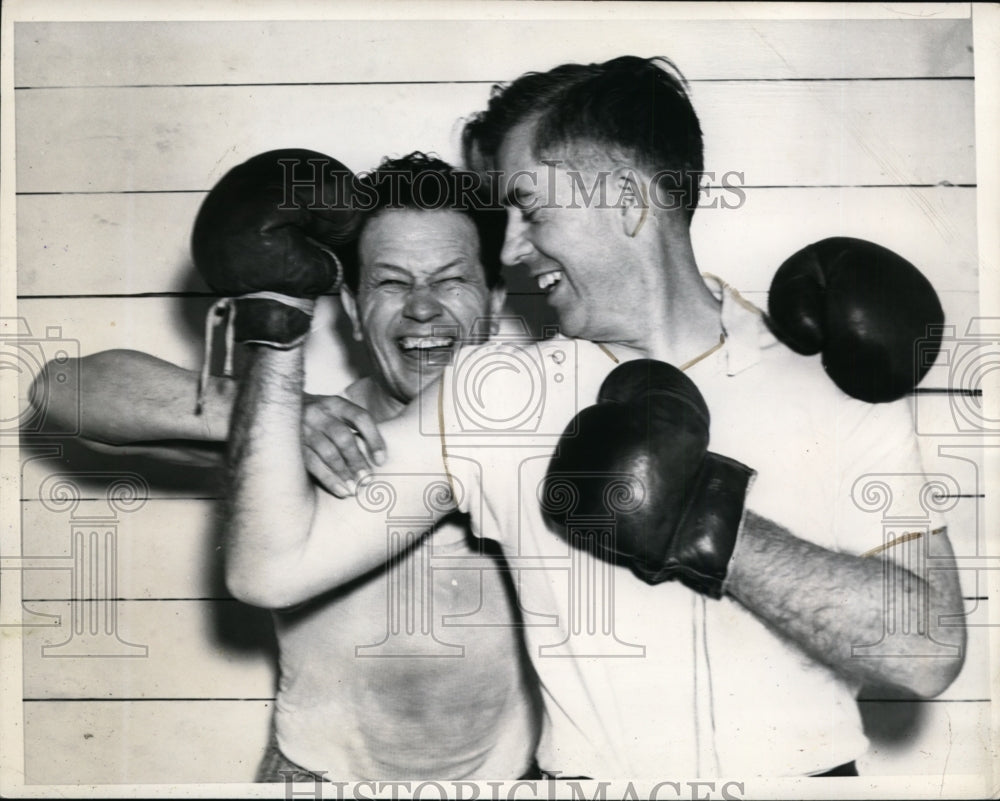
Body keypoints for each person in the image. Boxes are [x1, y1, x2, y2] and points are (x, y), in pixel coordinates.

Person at [219, 56, 967, 780]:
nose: (509, 248)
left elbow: (929, 649)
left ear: (628, 200)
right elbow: (271, 569)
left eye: (529, 209)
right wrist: (275, 325)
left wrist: (711, 525)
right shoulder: (498, 393)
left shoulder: (826, 371)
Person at [35, 152, 541, 781]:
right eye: (390, 282)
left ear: (494, 299)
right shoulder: (309, 435)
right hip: (315, 776)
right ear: (352, 307)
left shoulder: (540, 427)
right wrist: (274, 412)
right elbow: (59, 390)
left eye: (451, 280)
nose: (421, 309)